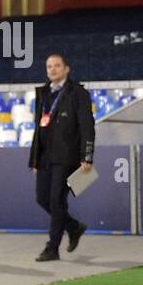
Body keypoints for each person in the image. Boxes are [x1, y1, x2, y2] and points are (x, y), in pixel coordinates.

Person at [28, 53, 95, 262]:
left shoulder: (78, 93)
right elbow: (38, 129)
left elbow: (87, 127)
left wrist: (87, 156)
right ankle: (73, 227)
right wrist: (35, 158)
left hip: (67, 156)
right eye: (49, 66)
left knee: (57, 200)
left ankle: (52, 247)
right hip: (45, 156)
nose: (52, 69)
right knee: (42, 199)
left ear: (67, 69)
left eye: (57, 66)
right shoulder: (43, 93)